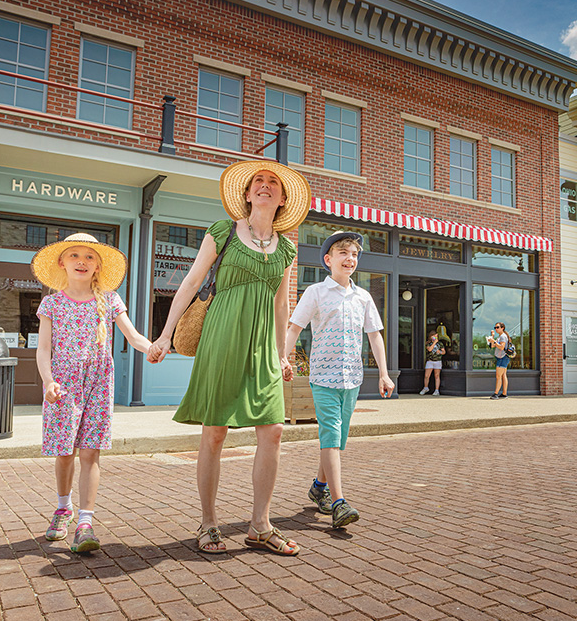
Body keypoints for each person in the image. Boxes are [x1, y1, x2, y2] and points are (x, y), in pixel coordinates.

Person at [148, 160, 311, 556]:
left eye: (273, 183)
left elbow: (280, 302)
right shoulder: (223, 231)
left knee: (273, 430)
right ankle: (208, 523)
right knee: (215, 432)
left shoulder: (287, 246)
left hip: (261, 346)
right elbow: (190, 281)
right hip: (222, 335)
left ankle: (260, 524)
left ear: (283, 197)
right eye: (259, 181)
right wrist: (165, 334)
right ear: (247, 192)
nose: (265, 186)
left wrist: (282, 353)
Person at [33, 233, 156, 553]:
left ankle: (85, 522)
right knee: (64, 453)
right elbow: (43, 349)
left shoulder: (111, 300)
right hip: (62, 385)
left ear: (98, 266)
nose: (81, 262)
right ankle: (63, 508)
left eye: (89, 257)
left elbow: (133, 337)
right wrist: (48, 381)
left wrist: (153, 348)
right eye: (74, 256)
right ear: (62, 263)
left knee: (90, 452)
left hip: (99, 383)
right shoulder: (52, 303)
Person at [284, 231, 394, 528]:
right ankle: (339, 503)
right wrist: (283, 357)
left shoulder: (363, 297)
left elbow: (374, 336)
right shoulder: (316, 292)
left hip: (352, 378)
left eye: (355, 254)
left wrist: (383, 373)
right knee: (330, 436)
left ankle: (318, 488)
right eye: (344, 252)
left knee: (336, 440)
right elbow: (294, 327)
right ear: (328, 260)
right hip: (323, 377)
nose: (350, 258)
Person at [486, 322, 510, 399]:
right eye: (495, 327)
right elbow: (493, 346)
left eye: (497, 327)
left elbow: (501, 347)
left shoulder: (503, 336)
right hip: (502, 357)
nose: (496, 329)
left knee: (498, 376)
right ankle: (504, 393)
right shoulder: (500, 337)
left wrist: (494, 342)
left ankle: (496, 394)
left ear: (502, 328)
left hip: (502, 357)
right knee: (503, 375)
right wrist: (492, 337)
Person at [420, 331, 445, 395]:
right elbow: (430, 349)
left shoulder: (440, 344)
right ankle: (426, 388)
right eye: (434, 336)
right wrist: (434, 342)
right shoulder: (428, 343)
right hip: (430, 361)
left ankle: (437, 390)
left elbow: (444, 352)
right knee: (426, 375)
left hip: (437, 361)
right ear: (431, 336)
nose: (435, 337)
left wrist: (440, 352)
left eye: (436, 336)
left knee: (437, 375)